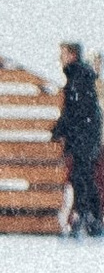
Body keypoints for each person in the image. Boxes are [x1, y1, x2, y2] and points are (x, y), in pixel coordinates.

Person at [55, 43, 101, 238]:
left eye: (63, 54)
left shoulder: (77, 78)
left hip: (82, 137)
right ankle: (91, 216)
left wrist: (60, 129)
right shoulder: (80, 77)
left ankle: (84, 215)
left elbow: (74, 110)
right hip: (87, 136)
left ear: (72, 55)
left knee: (81, 178)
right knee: (85, 177)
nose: (60, 58)